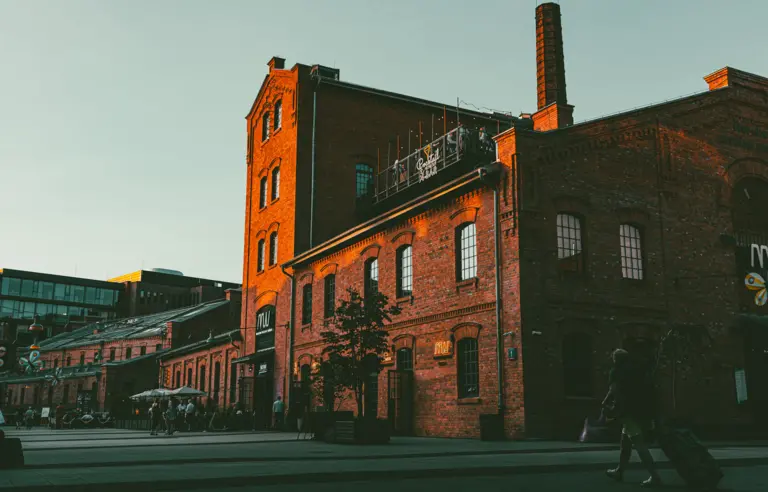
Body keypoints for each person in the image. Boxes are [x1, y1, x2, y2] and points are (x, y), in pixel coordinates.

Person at [603, 348, 661, 488]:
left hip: (628, 413)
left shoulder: (617, 372)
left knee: (639, 445)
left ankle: (655, 476)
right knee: (625, 444)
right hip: (641, 411)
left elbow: (614, 390)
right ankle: (619, 471)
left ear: (615, 360)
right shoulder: (637, 370)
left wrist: (606, 403)